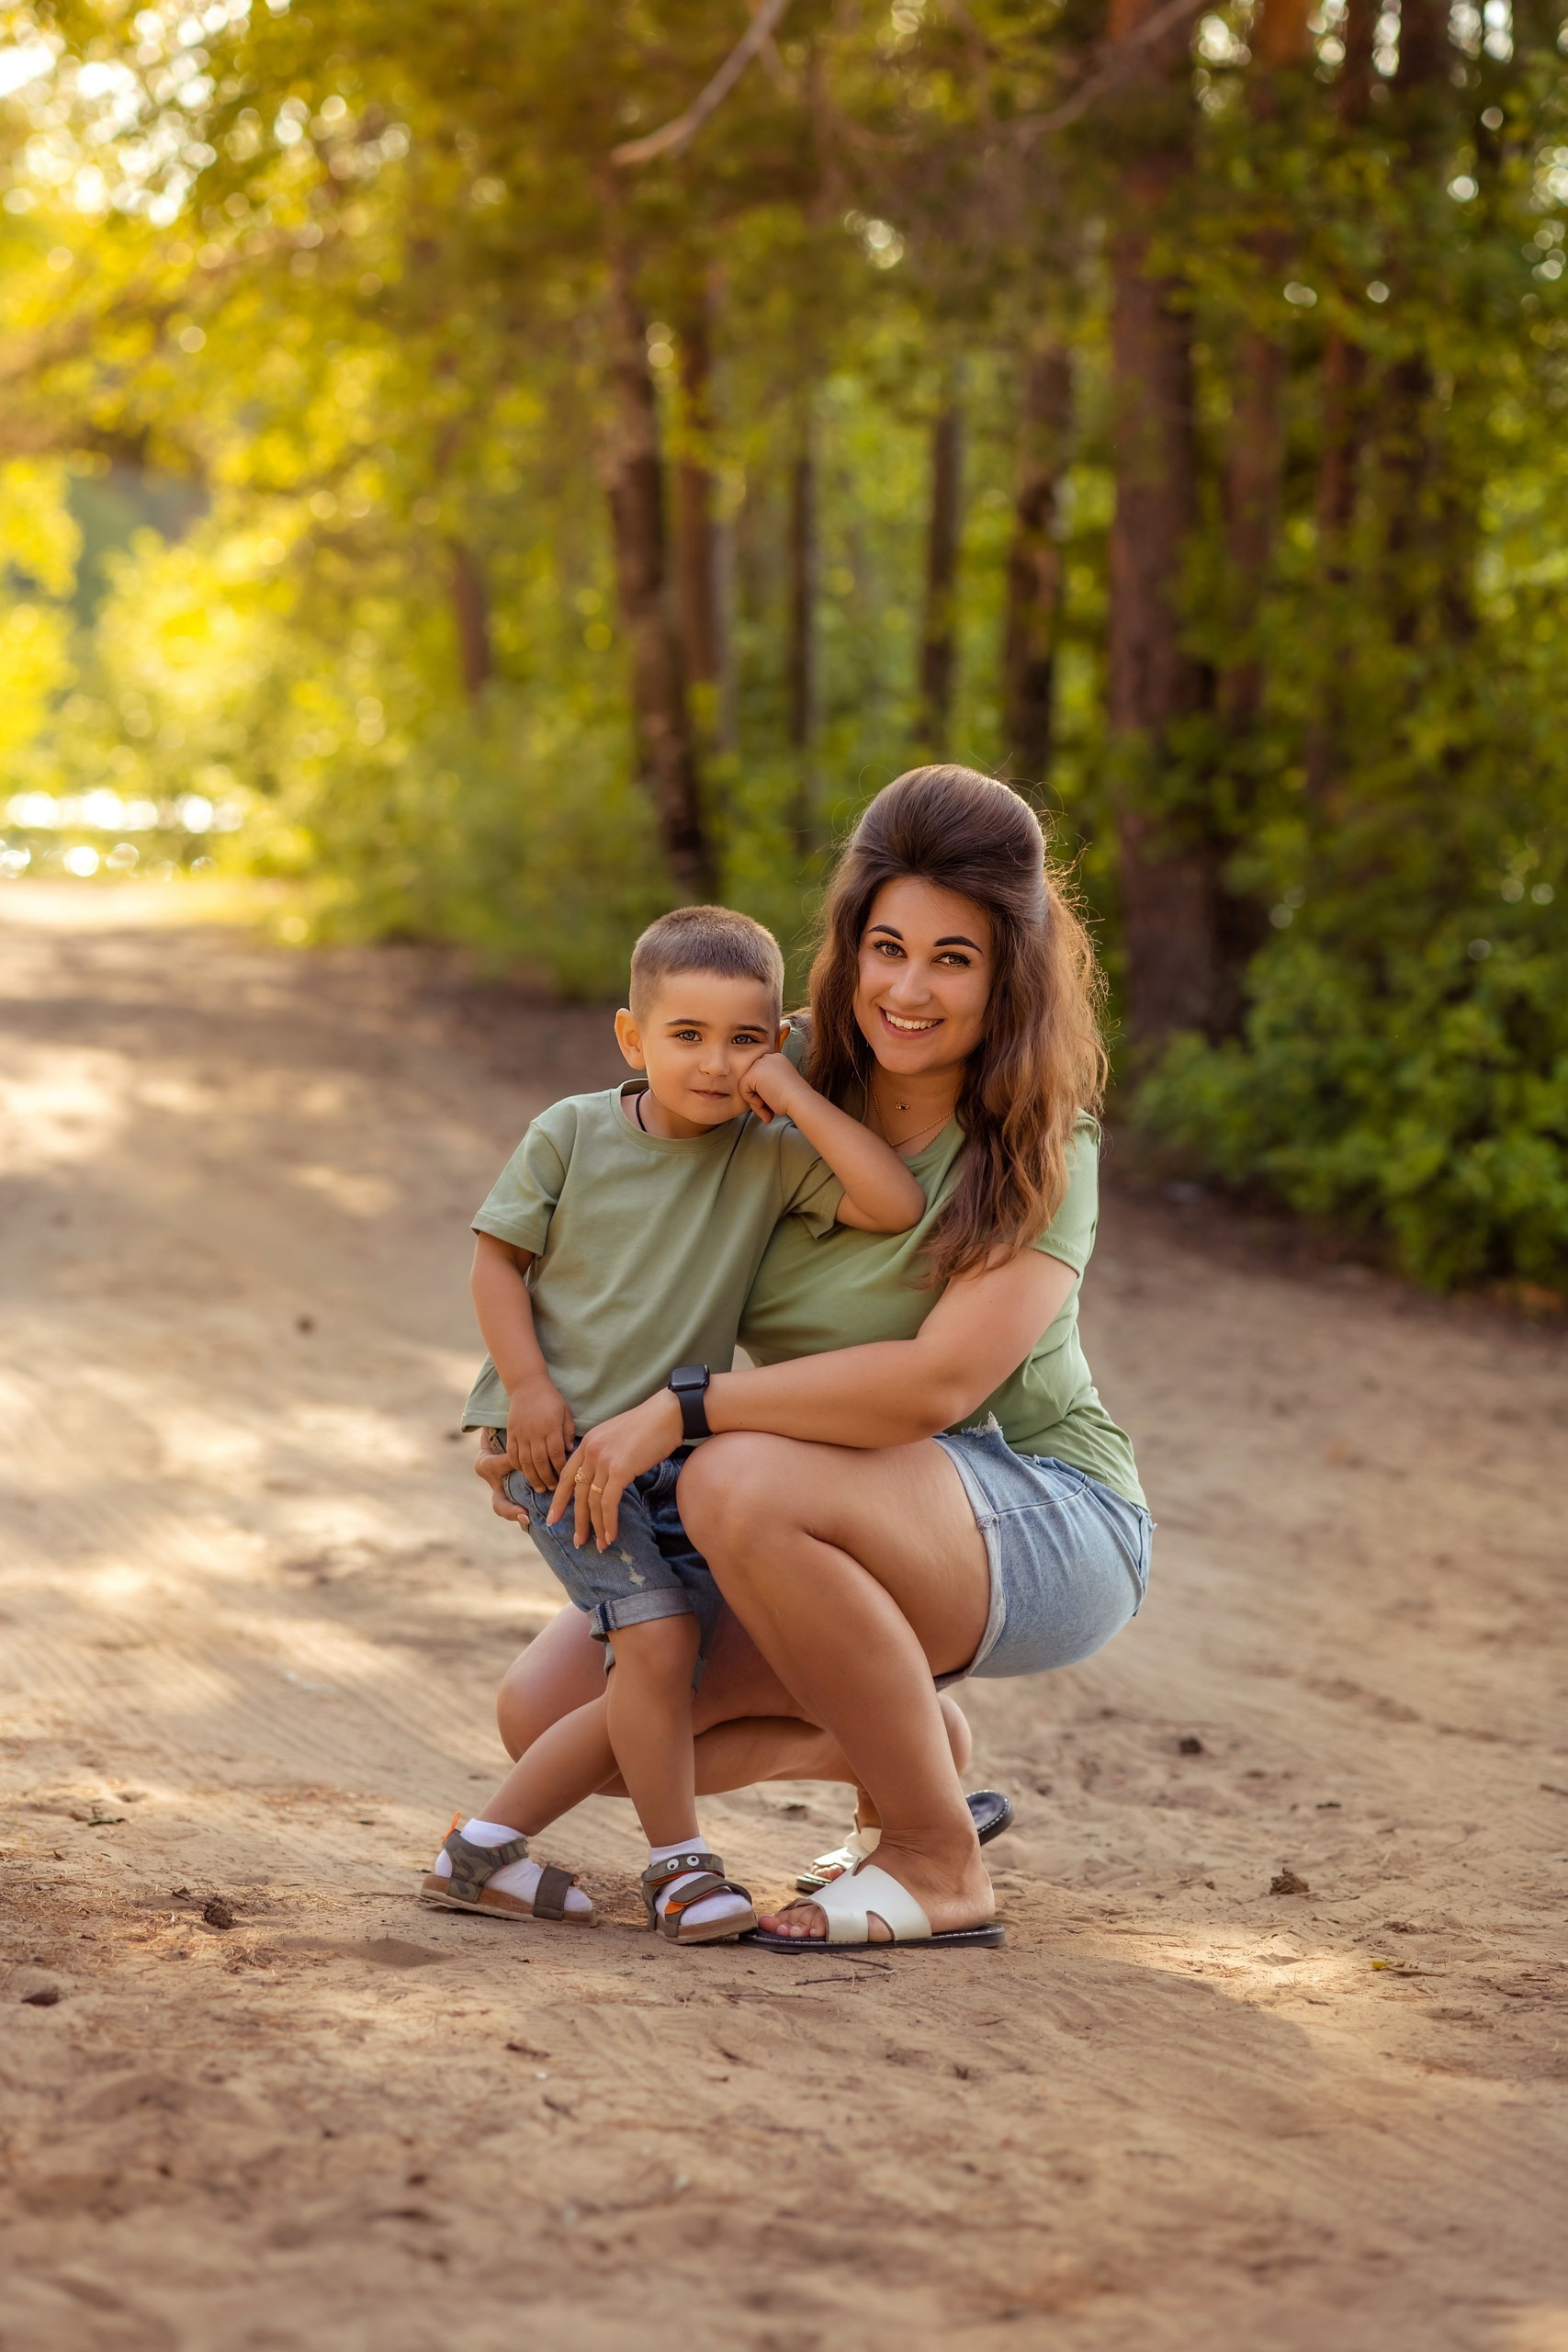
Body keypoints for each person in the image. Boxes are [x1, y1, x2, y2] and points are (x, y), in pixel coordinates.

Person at [477, 766, 1152, 1950]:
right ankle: (900, 1748)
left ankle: (936, 1858)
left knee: (731, 1475)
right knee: (546, 1716)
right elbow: (618, 1241)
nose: (908, 989)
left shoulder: (1045, 1142)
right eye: (887, 947)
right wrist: (539, 1411)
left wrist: (681, 1410)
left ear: (1010, 974)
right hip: (819, 1501)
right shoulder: (770, 1086)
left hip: (1038, 1512)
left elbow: (937, 1387)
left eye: (953, 958)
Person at [421, 903, 925, 1943]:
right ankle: (680, 1866)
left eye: (744, 1039)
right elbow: (495, 1261)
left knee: (670, 1657)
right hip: (560, 1445)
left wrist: (791, 1092)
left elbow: (893, 1204)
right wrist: (526, 1388)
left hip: (668, 1457)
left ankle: (483, 1850)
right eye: (686, 1035)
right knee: (655, 1639)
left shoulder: (767, 1152)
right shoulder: (570, 1131)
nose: (713, 1063)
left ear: (773, 1043)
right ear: (631, 1036)